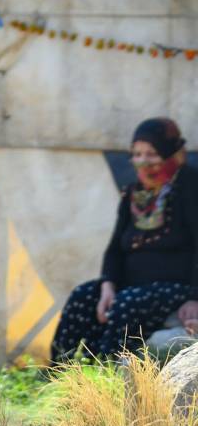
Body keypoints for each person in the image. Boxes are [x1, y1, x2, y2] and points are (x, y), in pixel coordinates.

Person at [51, 118, 194, 361]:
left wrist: (195, 297)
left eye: (152, 154)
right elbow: (116, 248)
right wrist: (108, 286)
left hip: (178, 287)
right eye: (137, 154)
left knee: (126, 303)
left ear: (170, 154)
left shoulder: (191, 186)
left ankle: (109, 373)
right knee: (83, 296)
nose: (143, 162)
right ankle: (57, 372)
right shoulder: (134, 194)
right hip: (132, 284)